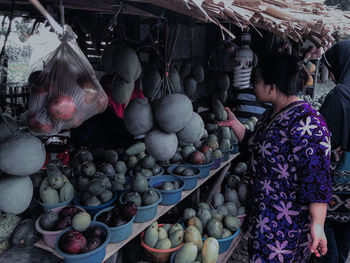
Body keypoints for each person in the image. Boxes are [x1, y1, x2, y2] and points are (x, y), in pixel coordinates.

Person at [218, 52, 332, 262]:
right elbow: (259, 148)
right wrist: (237, 126)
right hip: (263, 220)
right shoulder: (270, 114)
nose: (253, 86)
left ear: (272, 87)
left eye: (256, 81)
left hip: (286, 227)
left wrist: (317, 224)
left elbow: (317, 179)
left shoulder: (308, 123)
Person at [319, 40, 350, 263]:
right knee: (344, 242)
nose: (330, 76)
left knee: (326, 241)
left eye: (331, 70)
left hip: (336, 191)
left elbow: (325, 148)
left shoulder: (338, 97)